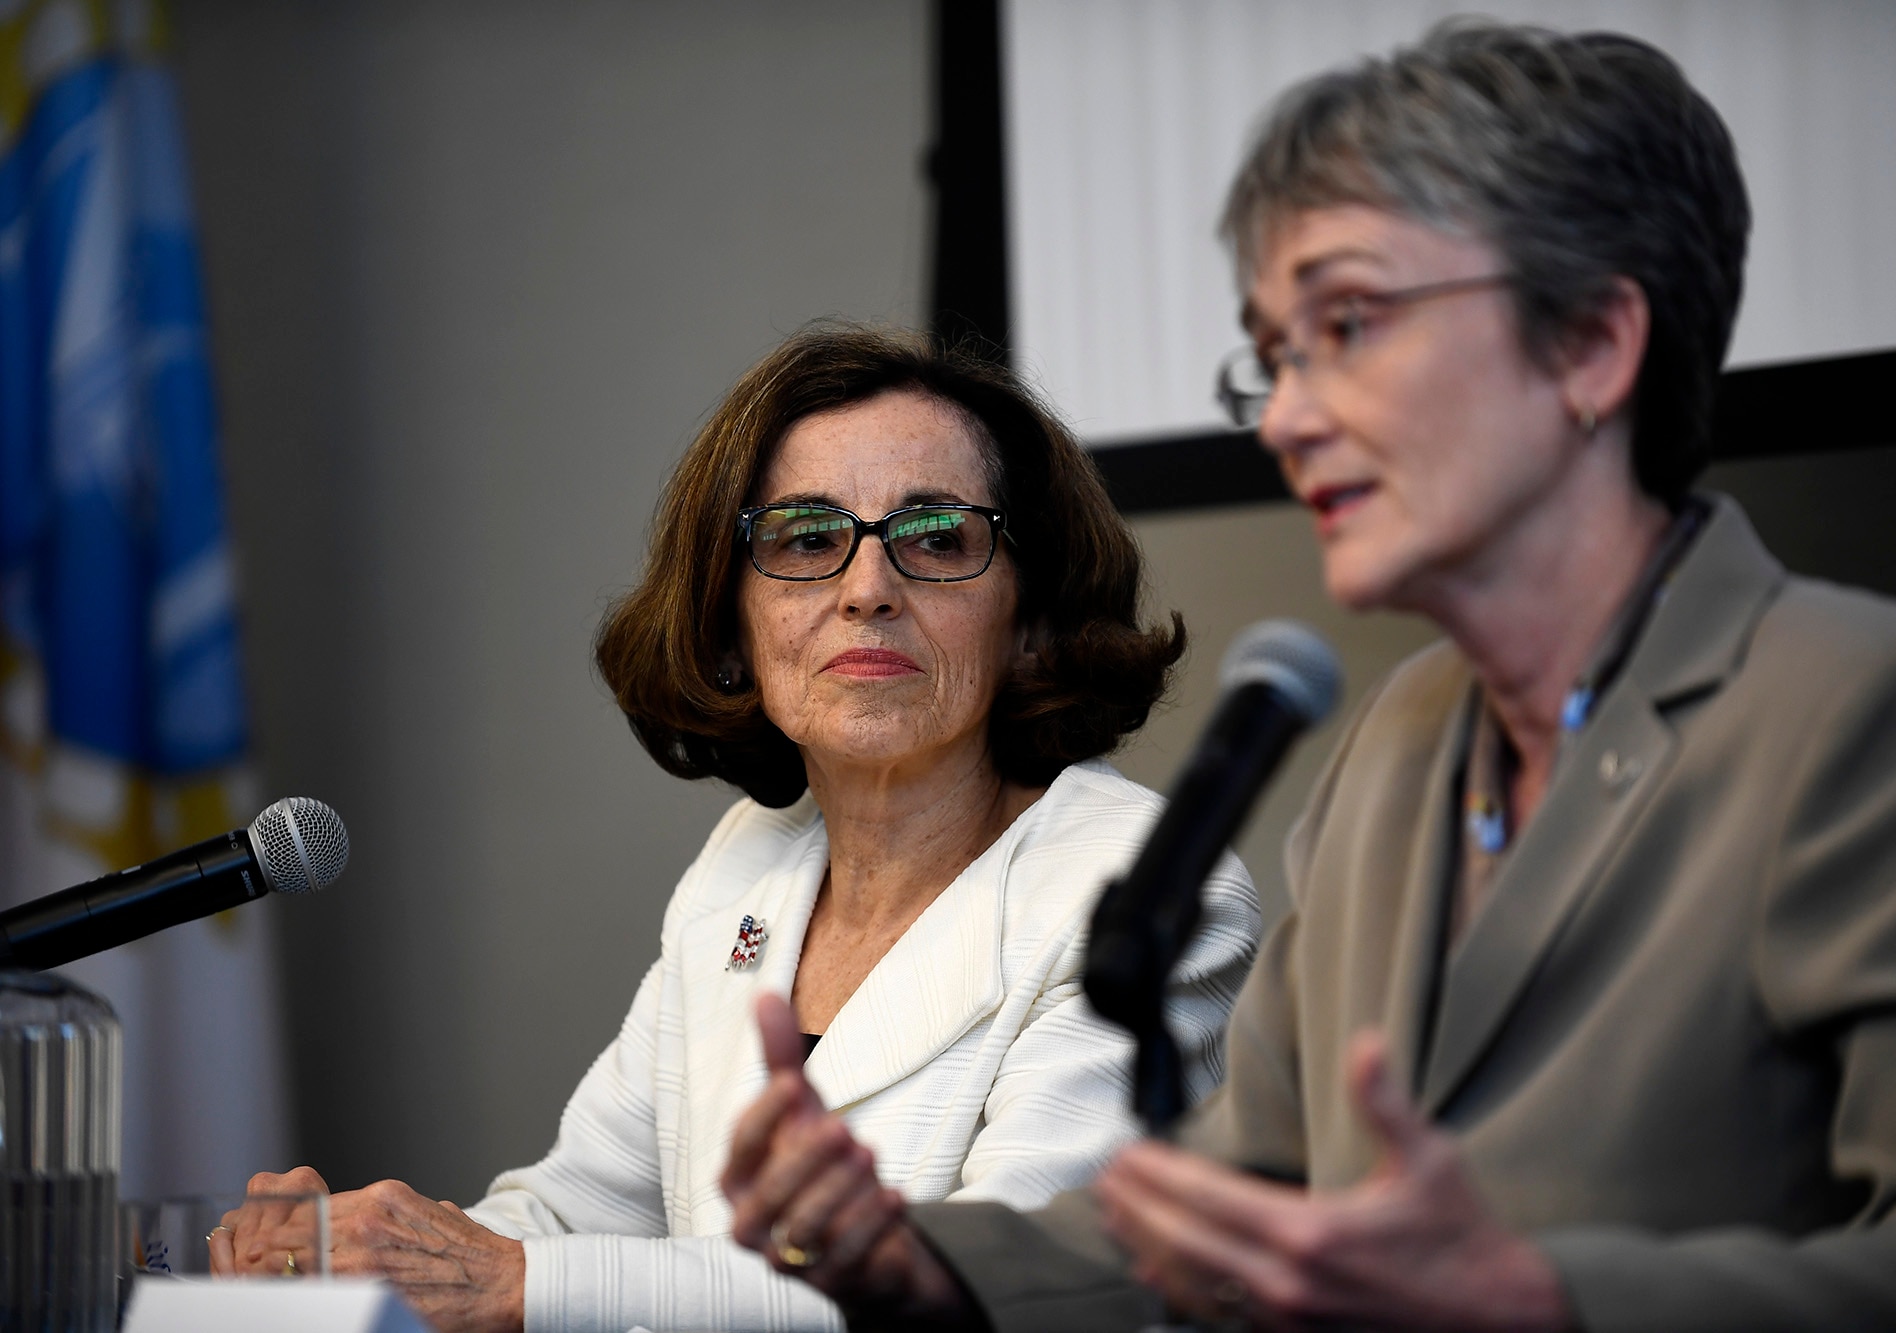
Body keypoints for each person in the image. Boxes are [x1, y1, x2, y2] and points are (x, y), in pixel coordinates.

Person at [720, 22, 1896, 1331]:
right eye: (1273, 355)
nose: (1285, 415)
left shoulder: (1865, 709)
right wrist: (911, 1260)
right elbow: (1231, 1197)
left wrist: (1549, 1300)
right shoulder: (1397, 747)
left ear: (1591, 347)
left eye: (1348, 323)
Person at [222, 324, 1262, 1331]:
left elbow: (1008, 1290)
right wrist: (356, 1259)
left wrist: (507, 1278)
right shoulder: (748, 864)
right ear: (730, 625)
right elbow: (569, 1218)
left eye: (935, 538)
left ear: (1031, 621)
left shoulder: (1148, 887)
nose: (867, 589)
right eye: (807, 539)